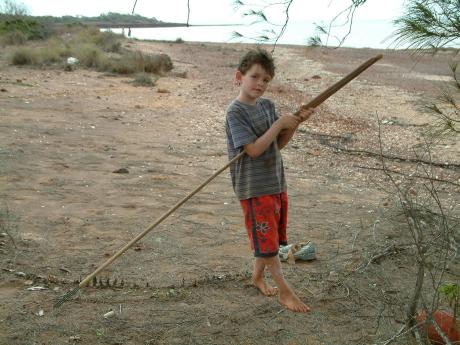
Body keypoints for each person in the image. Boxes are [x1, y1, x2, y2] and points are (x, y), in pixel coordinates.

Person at [225, 48, 314, 313]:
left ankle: (256, 277)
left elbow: (277, 145)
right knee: (267, 242)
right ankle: (285, 292)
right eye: (255, 77)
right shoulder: (235, 112)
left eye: (266, 80)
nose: (260, 84)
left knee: (270, 239)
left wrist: (293, 124)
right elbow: (252, 150)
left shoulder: (267, 106)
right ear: (239, 76)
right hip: (254, 188)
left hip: (275, 181)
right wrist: (279, 124)